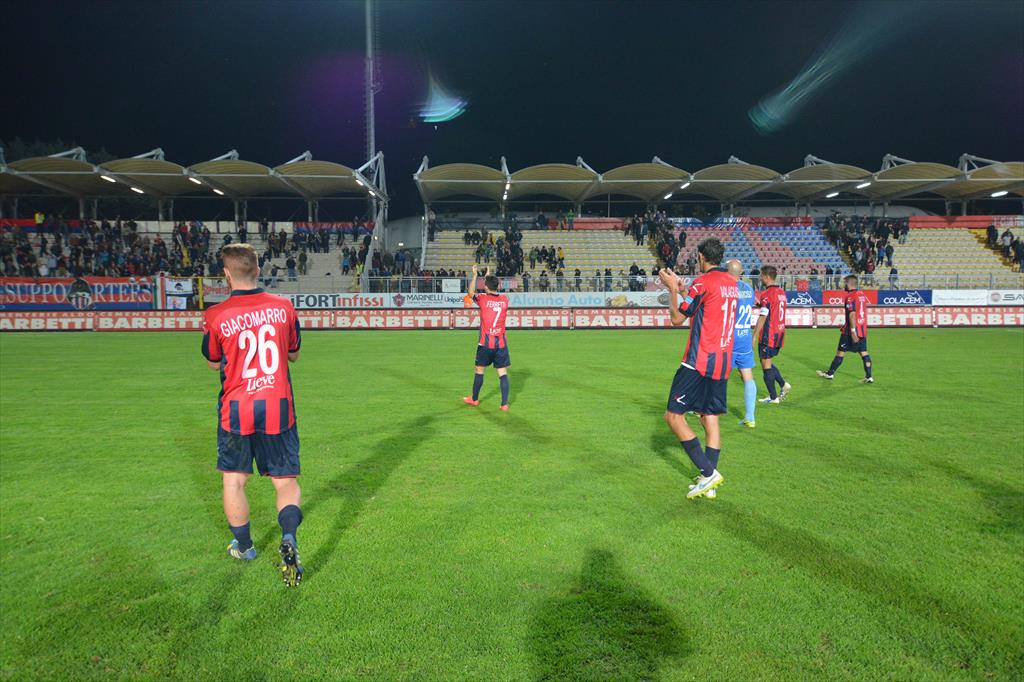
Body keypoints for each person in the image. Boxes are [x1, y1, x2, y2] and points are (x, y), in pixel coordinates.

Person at [200, 243, 305, 587]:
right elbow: (294, 354)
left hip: (236, 410)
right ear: (258, 270)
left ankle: (244, 547)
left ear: (226, 275)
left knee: (234, 480)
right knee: (285, 482)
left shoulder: (216, 315)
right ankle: (288, 537)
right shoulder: (284, 307)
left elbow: (213, 361)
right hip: (278, 406)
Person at [659, 237, 738, 500]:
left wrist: (672, 289)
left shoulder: (702, 282)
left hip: (699, 361)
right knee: (709, 417)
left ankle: (708, 473)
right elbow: (705, 309)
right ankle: (708, 482)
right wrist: (685, 291)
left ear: (702, 257)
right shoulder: (731, 284)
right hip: (723, 361)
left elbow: (677, 319)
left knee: (673, 417)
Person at [463, 265, 512, 411]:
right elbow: (491, 289)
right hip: (501, 344)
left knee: (479, 370)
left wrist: (474, 275)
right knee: (502, 372)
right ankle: (504, 404)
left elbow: (470, 293)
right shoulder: (504, 300)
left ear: (485, 287)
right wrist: (488, 276)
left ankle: (474, 399)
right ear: (498, 286)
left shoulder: (483, 299)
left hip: (485, 343)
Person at [818, 275, 874, 383]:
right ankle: (869, 376)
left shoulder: (850, 296)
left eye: (845, 283)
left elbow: (852, 314)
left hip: (850, 331)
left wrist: (853, 331)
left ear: (848, 284)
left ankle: (830, 373)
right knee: (864, 352)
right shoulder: (861, 295)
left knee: (840, 352)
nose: (844, 285)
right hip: (862, 329)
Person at [752, 265, 791, 405]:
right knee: (767, 362)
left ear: (767, 277)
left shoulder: (767, 294)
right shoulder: (781, 292)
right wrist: (760, 305)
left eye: (761, 276)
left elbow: (763, 317)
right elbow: (772, 309)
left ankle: (773, 397)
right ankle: (783, 385)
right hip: (779, 333)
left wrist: (754, 335)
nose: (760, 278)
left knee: (766, 366)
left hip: (768, 334)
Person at [726, 260, 758, 429]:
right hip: (745, 336)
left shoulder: (728, 289)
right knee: (747, 376)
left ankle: (705, 409)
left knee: (718, 374)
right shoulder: (749, 289)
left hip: (730, 337)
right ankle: (750, 417)